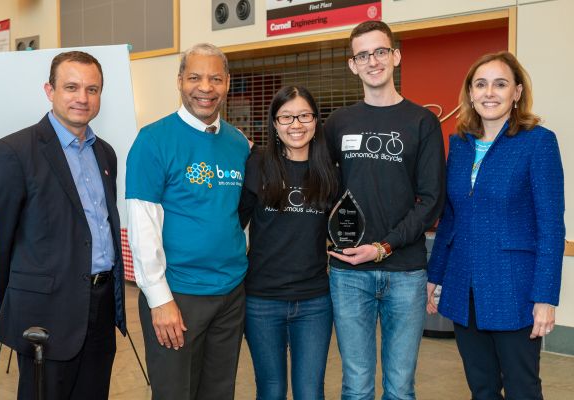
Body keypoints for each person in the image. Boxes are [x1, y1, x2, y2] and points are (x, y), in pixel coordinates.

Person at [0, 51, 126, 399]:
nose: (82, 98)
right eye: (71, 87)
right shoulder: (14, 151)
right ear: (50, 90)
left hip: (101, 308)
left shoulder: (105, 153)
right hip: (45, 314)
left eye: (92, 89)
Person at [426, 51, 565, 400]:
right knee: (482, 388)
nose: (490, 92)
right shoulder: (459, 144)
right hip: (463, 289)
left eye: (500, 84)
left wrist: (545, 298)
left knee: (522, 389)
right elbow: (451, 218)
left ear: (516, 92)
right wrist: (433, 275)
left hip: (514, 290)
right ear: (470, 94)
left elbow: (551, 227)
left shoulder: (538, 142)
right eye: (481, 84)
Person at [324, 20, 446, 399]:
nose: (372, 61)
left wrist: (383, 247)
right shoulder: (338, 123)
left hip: (405, 273)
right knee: (356, 386)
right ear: (352, 65)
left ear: (395, 56)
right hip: (348, 273)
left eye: (380, 51)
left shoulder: (421, 121)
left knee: (400, 387)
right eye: (363, 55)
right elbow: (320, 188)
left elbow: (431, 201)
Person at [126, 43, 251, 399]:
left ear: (227, 82)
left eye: (215, 78)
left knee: (218, 392)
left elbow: (239, 214)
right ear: (180, 81)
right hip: (178, 296)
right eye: (195, 77)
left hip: (230, 295)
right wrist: (159, 298)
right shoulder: (153, 140)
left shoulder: (238, 143)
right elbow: (142, 224)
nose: (205, 87)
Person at [238, 86, 338, 399]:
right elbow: (233, 224)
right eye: (286, 117)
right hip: (261, 300)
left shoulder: (330, 173)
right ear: (275, 123)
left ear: (316, 120)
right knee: (271, 390)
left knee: (310, 391)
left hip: (315, 302)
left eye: (304, 115)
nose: (296, 124)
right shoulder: (257, 166)